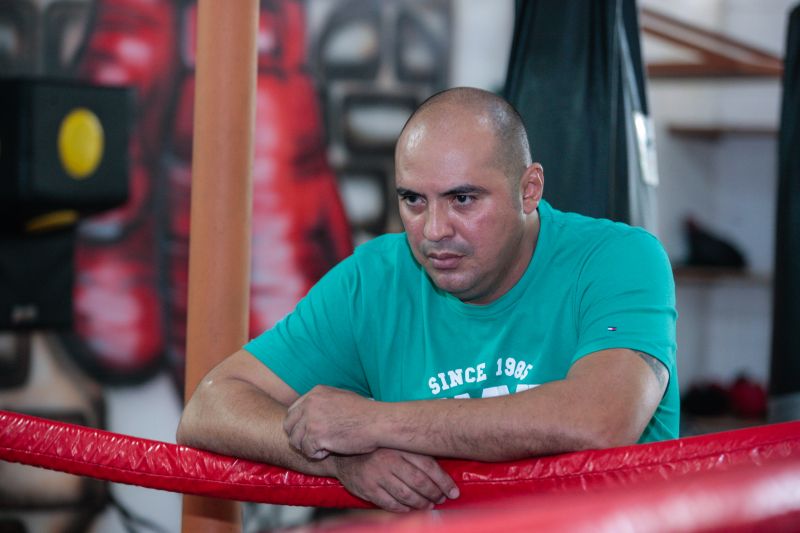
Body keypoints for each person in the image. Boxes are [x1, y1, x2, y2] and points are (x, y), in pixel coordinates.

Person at [177, 87, 678, 513]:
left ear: (529, 190)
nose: (434, 231)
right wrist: (339, 458)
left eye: (463, 199)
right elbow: (210, 406)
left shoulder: (617, 259)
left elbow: (600, 419)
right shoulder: (376, 280)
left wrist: (371, 424)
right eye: (413, 200)